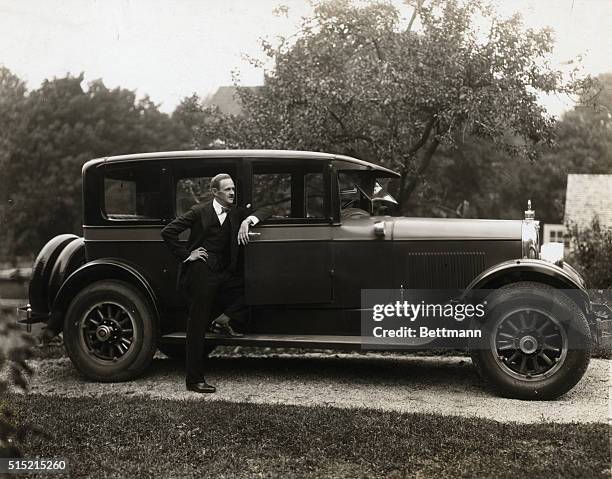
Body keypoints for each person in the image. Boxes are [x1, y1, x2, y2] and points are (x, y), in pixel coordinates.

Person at [161, 173, 269, 393]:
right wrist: (187, 255)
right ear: (215, 192)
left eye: (233, 189)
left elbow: (266, 209)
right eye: (227, 189)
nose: (232, 192)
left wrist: (247, 221)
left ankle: (222, 320)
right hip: (201, 273)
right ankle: (194, 380)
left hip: (224, 274)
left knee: (250, 290)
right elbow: (168, 232)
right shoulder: (199, 211)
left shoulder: (237, 213)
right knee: (197, 325)